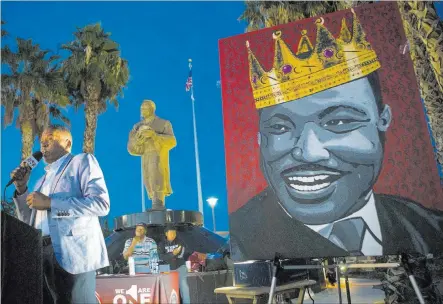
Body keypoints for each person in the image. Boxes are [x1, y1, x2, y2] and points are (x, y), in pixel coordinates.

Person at [230, 10, 443, 261]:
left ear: (383, 119)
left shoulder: (430, 228)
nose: (309, 151)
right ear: (259, 140)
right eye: (280, 128)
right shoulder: (241, 240)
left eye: (339, 122)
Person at [11, 124, 110, 303]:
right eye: (41, 141)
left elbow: (101, 204)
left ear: (68, 143)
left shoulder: (82, 162)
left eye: (50, 139)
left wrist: (51, 203)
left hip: (73, 254)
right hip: (42, 253)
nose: (43, 145)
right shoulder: (41, 181)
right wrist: (21, 188)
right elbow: (28, 222)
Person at [127, 100, 176, 210]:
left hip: (158, 156)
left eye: (145, 108)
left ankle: (158, 205)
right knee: (148, 180)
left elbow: (172, 141)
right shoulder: (137, 127)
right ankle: (155, 204)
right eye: (141, 108)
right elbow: (131, 148)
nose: (142, 111)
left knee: (157, 178)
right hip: (146, 157)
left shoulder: (163, 123)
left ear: (152, 109)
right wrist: (138, 141)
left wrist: (154, 136)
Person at [159, 225, 191, 304]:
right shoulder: (161, 244)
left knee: (184, 287)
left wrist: (170, 255)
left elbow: (181, 255)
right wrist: (173, 254)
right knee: (168, 289)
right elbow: (161, 257)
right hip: (167, 268)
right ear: (166, 234)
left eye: (174, 233)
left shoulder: (180, 241)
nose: (173, 235)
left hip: (180, 267)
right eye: (171, 233)